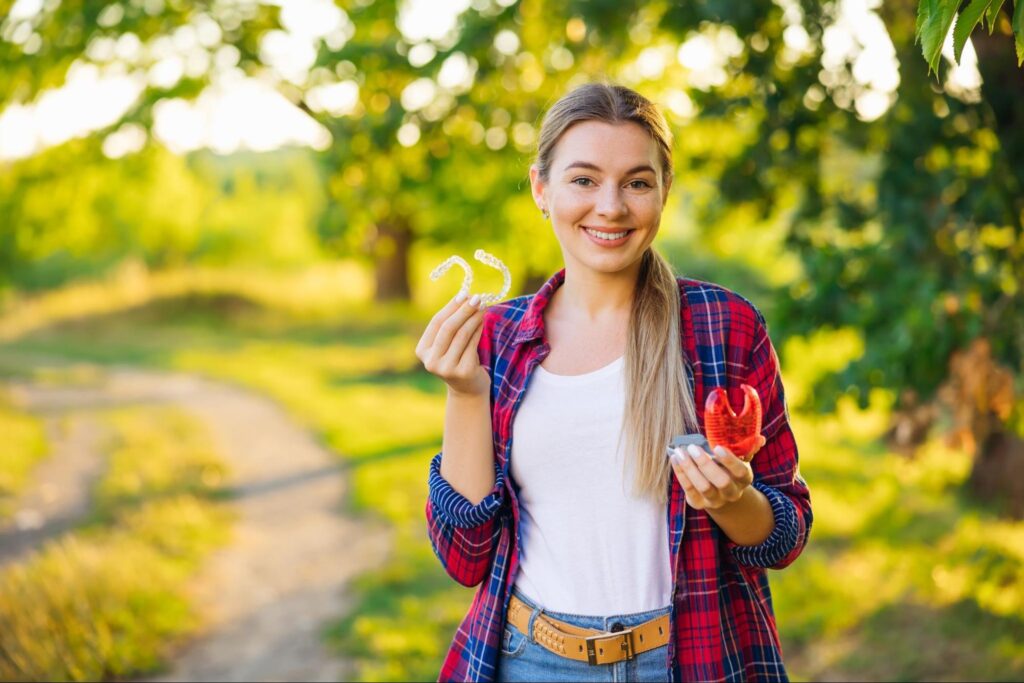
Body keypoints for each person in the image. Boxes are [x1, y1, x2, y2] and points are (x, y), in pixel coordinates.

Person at [415, 81, 812, 683]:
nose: (611, 206)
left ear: (663, 192)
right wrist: (465, 392)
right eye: (583, 180)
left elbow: (784, 535)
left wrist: (734, 502)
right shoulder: (497, 339)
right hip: (530, 662)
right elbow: (465, 558)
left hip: (690, 660)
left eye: (637, 182)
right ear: (540, 189)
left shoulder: (723, 328)